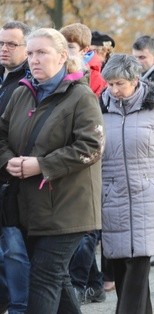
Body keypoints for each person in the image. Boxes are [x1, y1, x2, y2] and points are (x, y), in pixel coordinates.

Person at [0, 27, 104, 313]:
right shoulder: (23, 92)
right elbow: (1, 134)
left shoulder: (80, 96)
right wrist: (8, 160)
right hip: (30, 207)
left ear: (61, 56)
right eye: (31, 53)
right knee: (55, 277)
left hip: (68, 208)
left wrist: (41, 166)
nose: (34, 59)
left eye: (42, 52)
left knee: (42, 278)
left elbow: (91, 147)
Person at [100, 54, 154, 314]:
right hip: (112, 196)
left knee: (138, 266)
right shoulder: (99, 110)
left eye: (120, 84)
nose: (114, 90)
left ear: (135, 80)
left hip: (149, 197)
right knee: (119, 265)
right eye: (110, 84)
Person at [59, 22, 108, 304]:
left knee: (87, 228)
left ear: (86, 50)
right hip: (70, 155)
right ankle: (95, 283)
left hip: (90, 156)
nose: (66, 52)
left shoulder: (95, 79)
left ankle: (79, 283)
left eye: (71, 47)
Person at [0, 21, 31, 314]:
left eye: (11, 44)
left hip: (14, 178)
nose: (4, 49)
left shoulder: (28, 83)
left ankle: (20, 307)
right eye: (1, 43)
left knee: (14, 250)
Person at [60, 23, 107, 97]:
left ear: (84, 50)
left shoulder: (97, 79)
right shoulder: (53, 69)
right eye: (62, 46)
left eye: (70, 47)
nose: (65, 51)